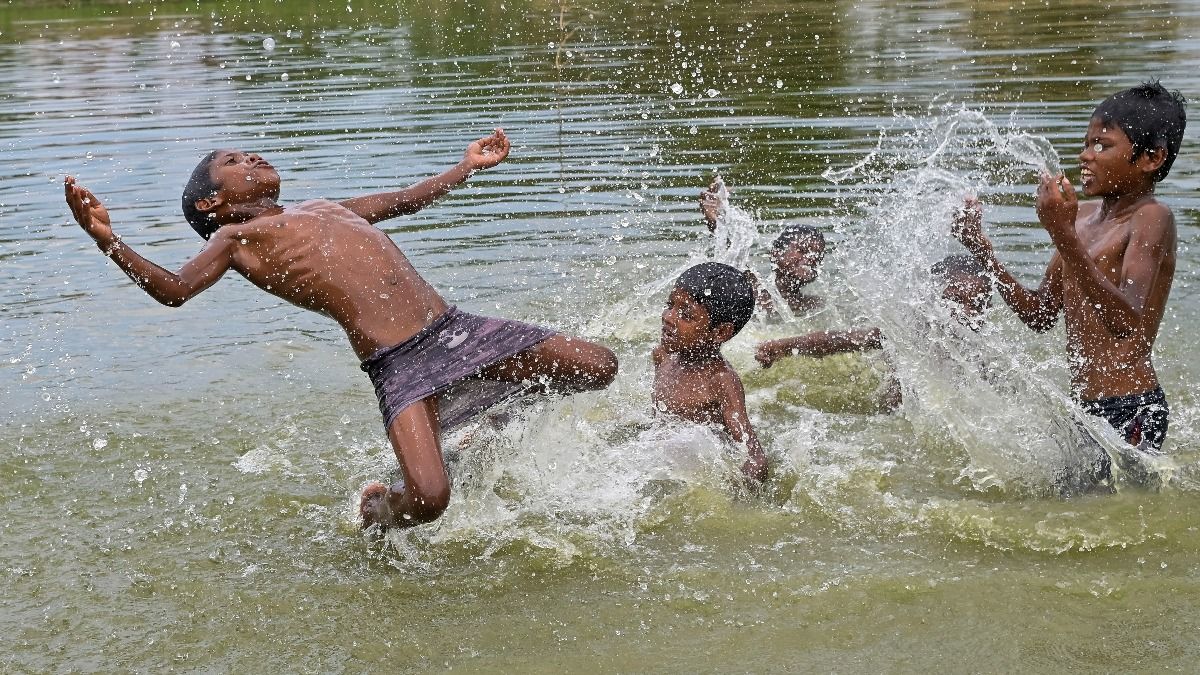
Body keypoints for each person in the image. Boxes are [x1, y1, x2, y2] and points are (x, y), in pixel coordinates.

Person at [63, 129, 618, 530]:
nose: (252, 155)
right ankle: (378, 511)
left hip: (455, 330)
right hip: (399, 366)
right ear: (214, 202)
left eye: (248, 151)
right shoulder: (233, 242)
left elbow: (402, 201)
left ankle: (488, 419)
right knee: (428, 499)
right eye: (234, 160)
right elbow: (175, 290)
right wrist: (108, 240)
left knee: (598, 366)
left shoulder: (325, 206)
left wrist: (464, 168)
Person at [952, 81, 1185, 470]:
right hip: (1083, 407)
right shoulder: (1079, 219)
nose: (1084, 156)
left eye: (1102, 145)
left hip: (1131, 406)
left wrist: (1061, 235)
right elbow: (1040, 314)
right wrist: (983, 252)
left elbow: (1126, 319)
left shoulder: (1151, 217)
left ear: (1151, 159)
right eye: (1086, 143)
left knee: (1113, 515)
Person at [754, 254, 994, 412]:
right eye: (953, 300)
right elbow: (839, 340)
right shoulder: (910, 333)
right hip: (894, 418)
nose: (965, 312)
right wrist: (783, 347)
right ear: (929, 301)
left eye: (977, 304)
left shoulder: (983, 360)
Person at [652, 262, 768, 481]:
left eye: (686, 315)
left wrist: (739, 506)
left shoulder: (720, 380)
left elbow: (755, 458)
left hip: (698, 475)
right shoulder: (663, 357)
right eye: (670, 305)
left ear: (720, 332)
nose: (668, 317)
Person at [699, 178, 826, 313]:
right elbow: (734, 258)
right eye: (802, 250)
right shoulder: (754, 294)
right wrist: (715, 221)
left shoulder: (817, 306)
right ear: (776, 253)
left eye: (818, 254)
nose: (812, 257)